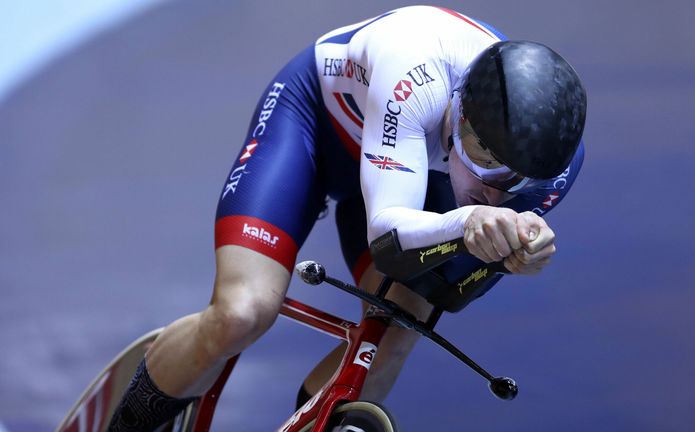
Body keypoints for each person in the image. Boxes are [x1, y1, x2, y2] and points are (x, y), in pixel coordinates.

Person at [107, 5, 586, 430]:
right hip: (316, 127)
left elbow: (449, 288)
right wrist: (467, 225)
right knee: (242, 313)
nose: (491, 186)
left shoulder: (555, 169)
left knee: (396, 330)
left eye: (514, 178)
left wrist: (509, 257)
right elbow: (389, 239)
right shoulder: (416, 69)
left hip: (413, 172)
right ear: (458, 110)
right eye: (481, 153)